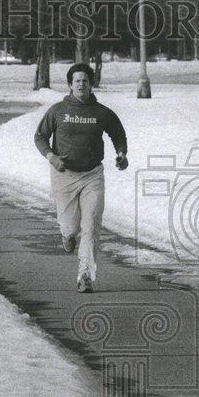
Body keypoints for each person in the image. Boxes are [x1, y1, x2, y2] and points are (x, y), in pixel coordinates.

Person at [34, 63, 128, 293]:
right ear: (70, 85)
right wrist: (50, 156)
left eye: (85, 81)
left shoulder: (102, 112)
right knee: (70, 225)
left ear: (90, 84)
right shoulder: (57, 110)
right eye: (77, 81)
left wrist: (121, 153)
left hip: (92, 175)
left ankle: (85, 275)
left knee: (92, 225)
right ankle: (67, 236)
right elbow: (40, 137)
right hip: (64, 175)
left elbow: (118, 133)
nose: (81, 84)